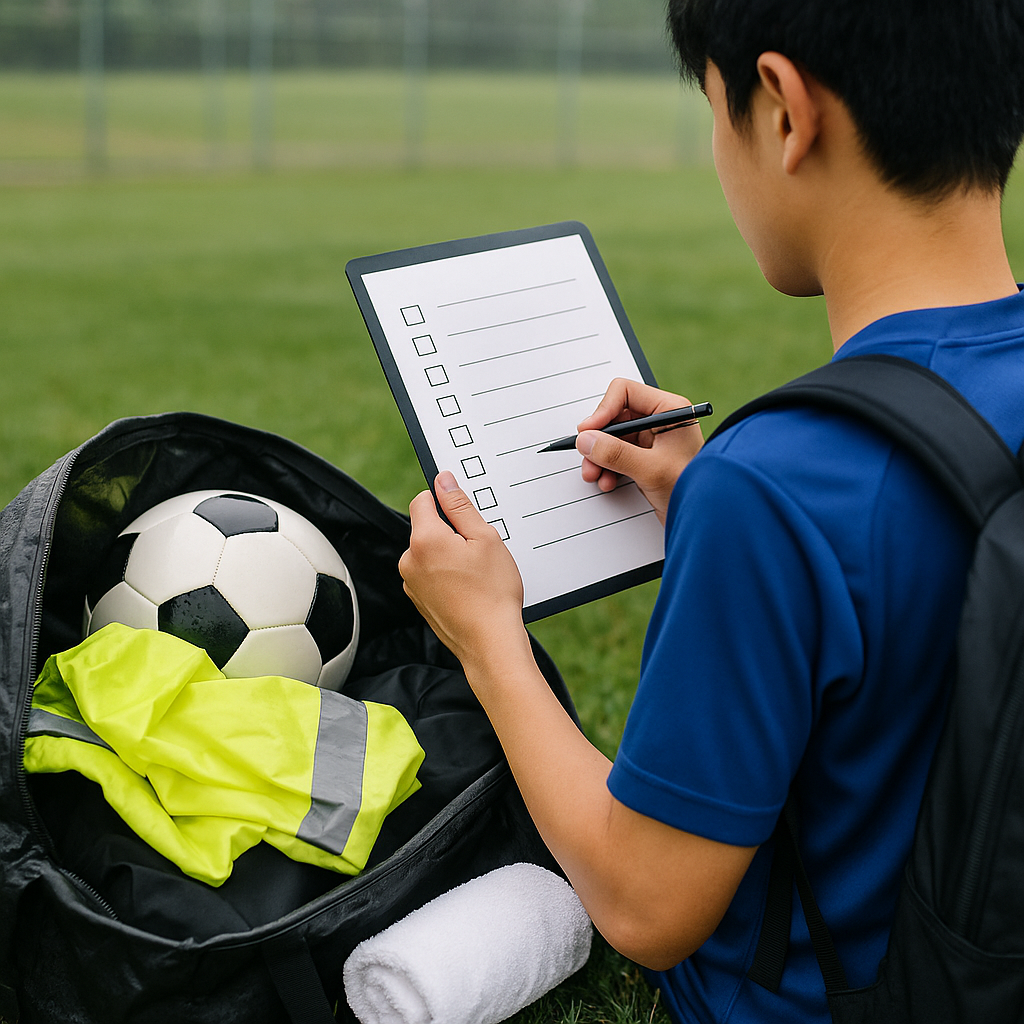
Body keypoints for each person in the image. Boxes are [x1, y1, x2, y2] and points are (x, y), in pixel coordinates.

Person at [397, 1, 1024, 1021]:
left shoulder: (774, 486)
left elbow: (646, 905)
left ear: (783, 109)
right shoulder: (786, 490)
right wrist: (715, 505)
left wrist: (487, 642)